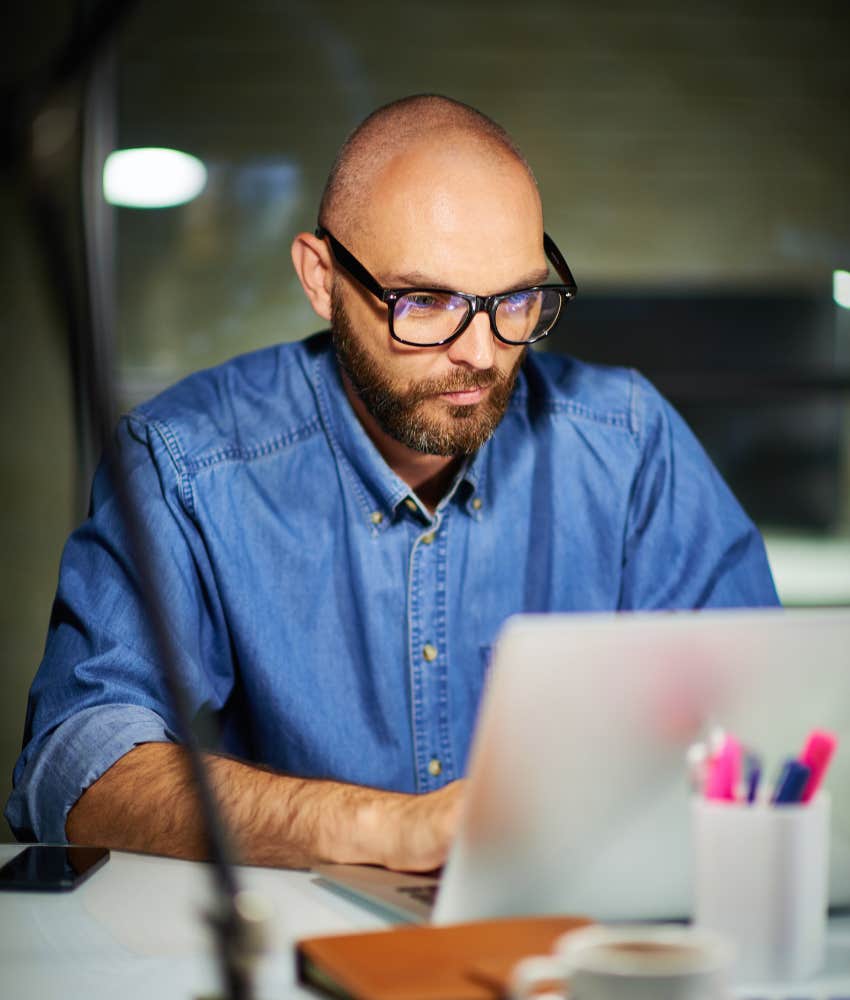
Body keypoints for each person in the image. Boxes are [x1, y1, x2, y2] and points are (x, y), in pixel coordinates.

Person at [6, 94, 779, 871]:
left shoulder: (630, 444)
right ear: (321, 278)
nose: (481, 352)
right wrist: (376, 828)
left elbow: (767, 726)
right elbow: (77, 763)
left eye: (515, 298)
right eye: (427, 301)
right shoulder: (188, 460)